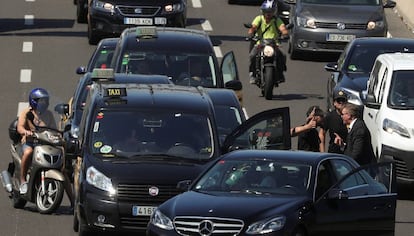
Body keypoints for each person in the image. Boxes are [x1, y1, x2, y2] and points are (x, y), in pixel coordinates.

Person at [17, 88, 56, 194]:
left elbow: (54, 129)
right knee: (28, 152)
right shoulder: (26, 112)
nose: (43, 103)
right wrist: (26, 132)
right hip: (30, 142)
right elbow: (19, 127)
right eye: (41, 101)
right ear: (34, 101)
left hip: (43, 143)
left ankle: (72, 200)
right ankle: (23, 180)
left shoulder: (49, 114)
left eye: (45, 100)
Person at [247, 0, 289, 84]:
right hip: (260, 44)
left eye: (270, 12)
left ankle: (280, 74)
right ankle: (253, 74)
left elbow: (283, 28)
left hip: (274, 44)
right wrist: (251, 34)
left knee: (283, 55)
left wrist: (285, 34)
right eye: (266, 12)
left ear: (274, 12)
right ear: (263, 11)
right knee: (252, 55)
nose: (268, 14)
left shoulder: (277, 20)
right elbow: (253, 27)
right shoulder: (259, 19)